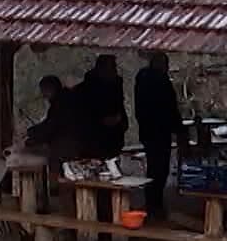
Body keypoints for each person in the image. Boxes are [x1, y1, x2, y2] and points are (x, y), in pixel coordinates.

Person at [134, 52, 189, 218]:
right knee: (159, 169)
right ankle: (154, 203)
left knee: (154, 168)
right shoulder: (160, 82)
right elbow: (170, 109)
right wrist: (179, 129)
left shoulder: (142, 80)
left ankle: (153, 201)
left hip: (148, 131)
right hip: (159, 131)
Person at [73, 54, 128, 159]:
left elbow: (120, 109)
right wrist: (100, 121)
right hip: (92, 144)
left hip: (113, 142)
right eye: (111, 67)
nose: (114, 71)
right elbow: (80, 117)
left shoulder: (115, 88)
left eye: (114, 67)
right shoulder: (84, 90)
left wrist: (121, 122)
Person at [24, 75, 82, 160]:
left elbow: (51, 127)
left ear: (51, 88)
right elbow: (50, 123)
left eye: (44, 91)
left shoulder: (62, 103)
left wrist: (33, 132)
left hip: (74, 142)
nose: (43, 95)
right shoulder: (63, 99)